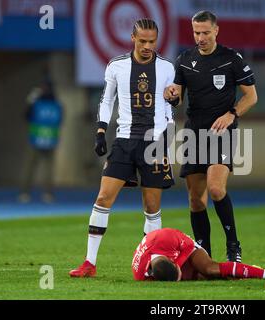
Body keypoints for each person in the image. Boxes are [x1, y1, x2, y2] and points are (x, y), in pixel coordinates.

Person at [69, 19, 177, 278]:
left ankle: (150, 265)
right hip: (125, 141)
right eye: (142, 41)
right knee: (103, 198)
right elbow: (107, 99)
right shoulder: (117, 66)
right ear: (132, 38)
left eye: (152, 41)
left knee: (152, 206)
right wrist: (100, 131)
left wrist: (168, 140)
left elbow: (170, 108)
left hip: (154, 142)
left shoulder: (166, 68)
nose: (148, 46)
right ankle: (89, 263)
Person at [164, 11, 258, 262]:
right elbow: (178, 98)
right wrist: (171, 95)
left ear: (216, 30)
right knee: (196, 200)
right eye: (197, 32)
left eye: (206, 32)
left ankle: (233, 245)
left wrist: (232, 114)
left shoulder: (230, 58)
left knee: (216, 189)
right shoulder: (185, 59)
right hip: (194, 132)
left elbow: (251, 96)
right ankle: (203, 251)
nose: (201, 37)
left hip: (222, 131)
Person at [132, 228, 265, 281]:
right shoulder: (140, 274)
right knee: (207, 278)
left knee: (209, 269)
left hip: (184, 248)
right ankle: (246, 271)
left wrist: (179, 265)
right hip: (170, 257)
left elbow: (187, 246)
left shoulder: (165, 236)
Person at [18, 77, 63, 204]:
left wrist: (31, 101)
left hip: (36, 139)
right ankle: (48, 194)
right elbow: (60, 121)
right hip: (50, 139)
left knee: (30, 167)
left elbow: (26, 116)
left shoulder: (36, 103)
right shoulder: (57, 105)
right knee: (48, 168)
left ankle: (24, 193)